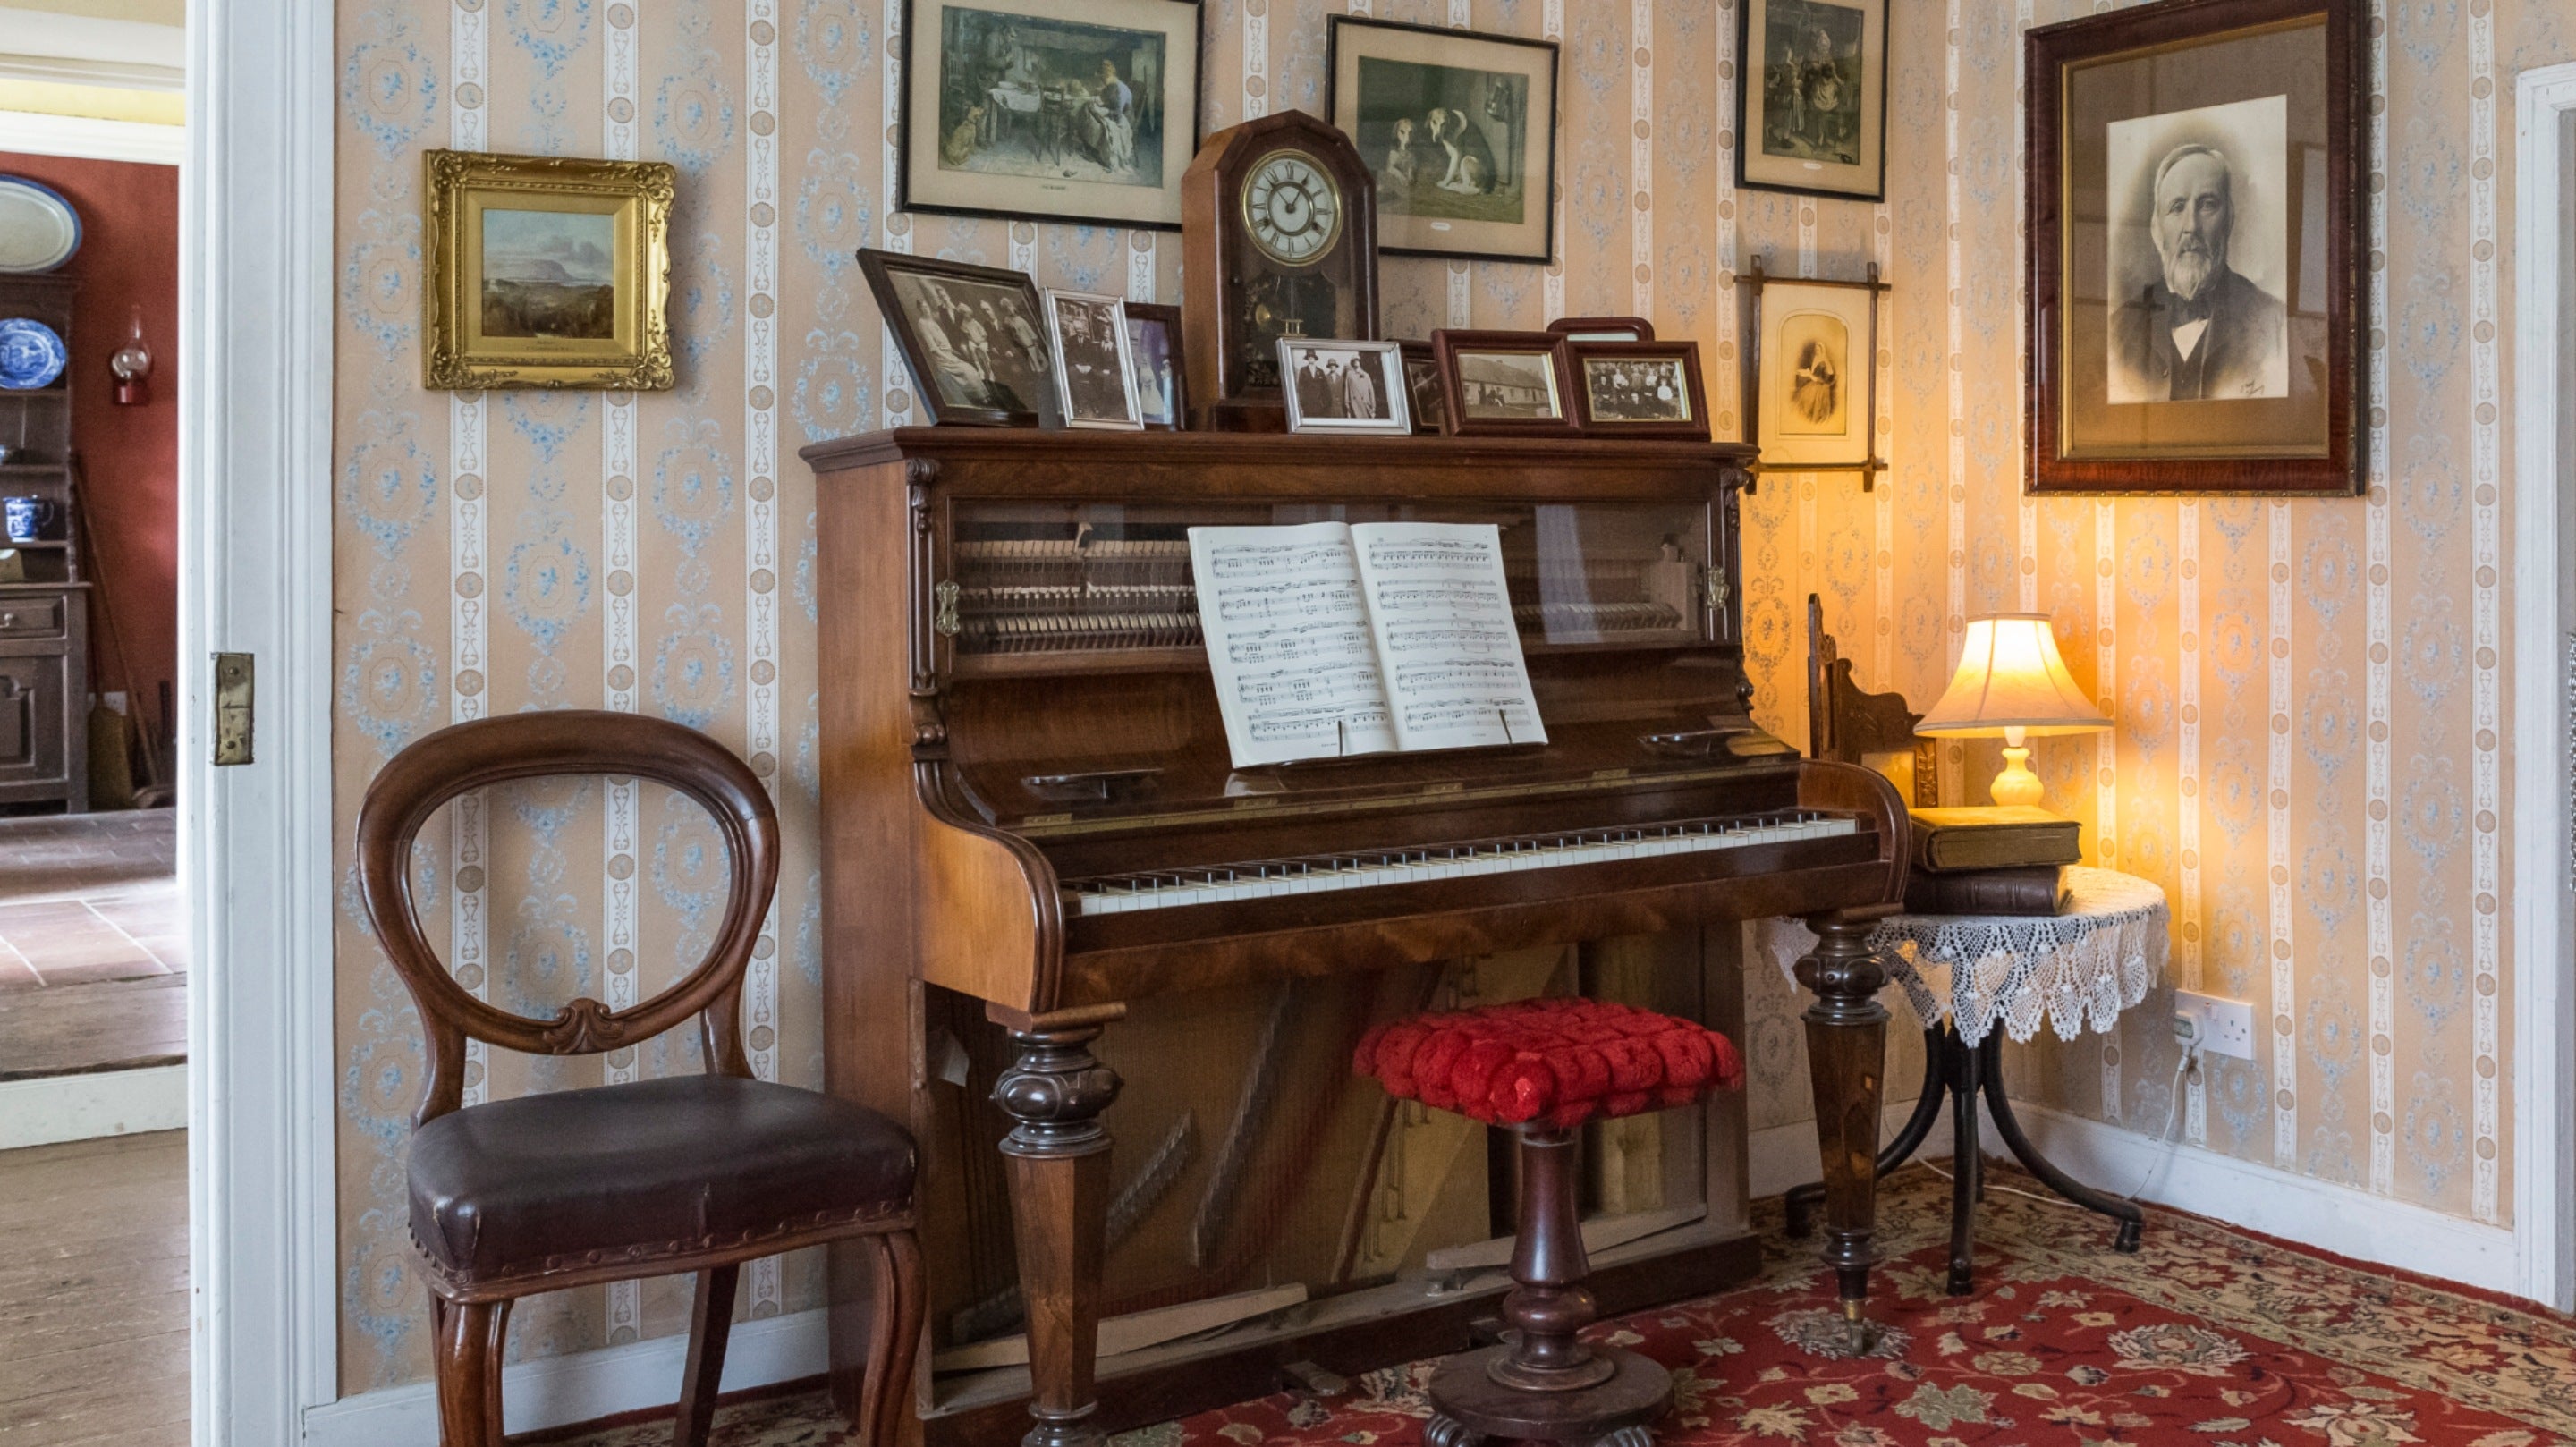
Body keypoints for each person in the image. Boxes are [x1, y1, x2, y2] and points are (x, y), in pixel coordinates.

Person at [2108, 142, 2288, 402]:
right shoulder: (2118, 331)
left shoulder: (2274, 323)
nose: (2191, 226)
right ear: (2156, 229)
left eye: (2207, 205)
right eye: (2177, 207)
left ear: (2229, 219)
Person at [1342, 352, 1379, 419]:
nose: (1356, 362)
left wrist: (1373, 406)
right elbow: (1347, 390)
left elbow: (1371, 391)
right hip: (1355, 405)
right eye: (1354, 361)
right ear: (1352, 363)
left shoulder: (1366, 375)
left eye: (1357, 360)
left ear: (1360, 362)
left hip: (1366, 405)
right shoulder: (1349, 375)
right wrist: (1347, 402)